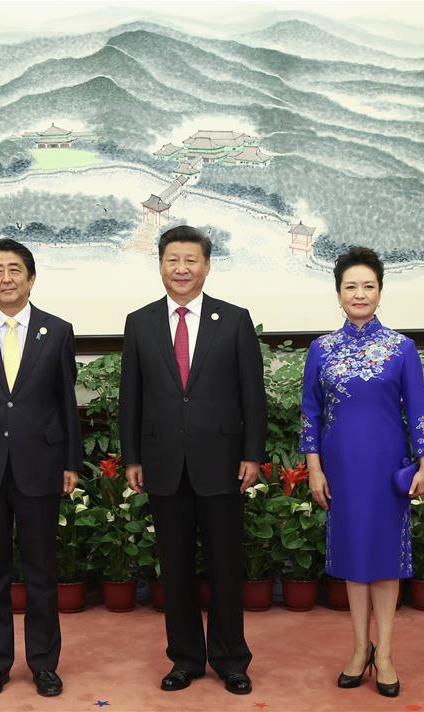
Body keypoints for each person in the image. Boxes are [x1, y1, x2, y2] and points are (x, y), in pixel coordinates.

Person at [119, 225, 267, 695]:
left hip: (223, 462)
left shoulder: (235, 319)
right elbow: (131, 399)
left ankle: (231, 660)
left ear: (206, 265)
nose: (181, 269)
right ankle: (184, 658)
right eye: (172, 260)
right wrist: (132, 457)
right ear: (160, 265)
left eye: (191, 260)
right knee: (175, 568)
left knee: (225, 566)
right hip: (163, 461)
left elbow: (252, 396)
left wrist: (252, 454)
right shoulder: (139, 322)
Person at [299, 246, 424, 698]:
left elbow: (418, 410)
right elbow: (310, 415)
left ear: (380, 291)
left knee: (385, 562)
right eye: (350, 287)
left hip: (386, 467)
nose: (359, 294)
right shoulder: (321, 349)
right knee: (354, 562)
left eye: (368, 286)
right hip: (340, 469)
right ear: (338, 294)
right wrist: (314, 469)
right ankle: (359, 649)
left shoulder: (402, 348)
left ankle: (388, 653)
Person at [0, 237, 81, 699]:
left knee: (42, 570)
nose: (6, 278)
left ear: (31, 277)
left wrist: (70, 462)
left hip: (40, 466)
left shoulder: (57, 330)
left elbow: (67, 403)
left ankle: (44, 663)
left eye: (14, 269)